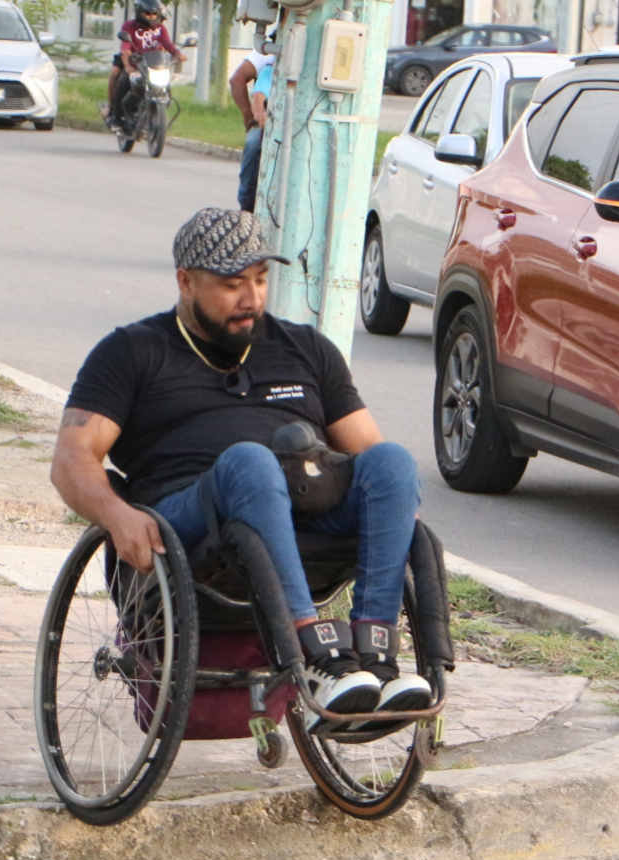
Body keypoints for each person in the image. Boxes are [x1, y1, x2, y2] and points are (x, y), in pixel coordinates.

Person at [51, 209, 430, 729]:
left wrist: (394, 500)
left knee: (392, 462)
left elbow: (369, 456)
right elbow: (72, 456)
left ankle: (376, 657)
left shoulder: (306, 349)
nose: (251, 298)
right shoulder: (132, 352)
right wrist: (116, 517)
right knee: (251, 462)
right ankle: (315, 659)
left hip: (302, 510)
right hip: (193, 522)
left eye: (260, 279)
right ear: (186, 281)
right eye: (232, 284)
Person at [105, 0, 181, 130]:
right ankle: (115, 115)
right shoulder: (129, 26)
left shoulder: (160, 29)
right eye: (147, 13)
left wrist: (177, 53)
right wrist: (127, 64)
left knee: (165, 86)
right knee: (120, 77)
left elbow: (167, 43)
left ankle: (156, 115)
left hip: (152, 62)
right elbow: (125, 47)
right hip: (133, 60)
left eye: (154, 14)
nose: (151, 16)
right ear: (139, 12)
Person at [230, 35, 276, 212]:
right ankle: (246, 205)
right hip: (269, 122)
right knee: (253, 143)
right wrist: (252, 116)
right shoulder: (269, 57)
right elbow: (240, 82)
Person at [237, 61, 273, 212]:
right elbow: (258, 96)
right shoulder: (270, 70)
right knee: (253, 143)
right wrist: (260, 112)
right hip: (270, 124)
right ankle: (246, 201)